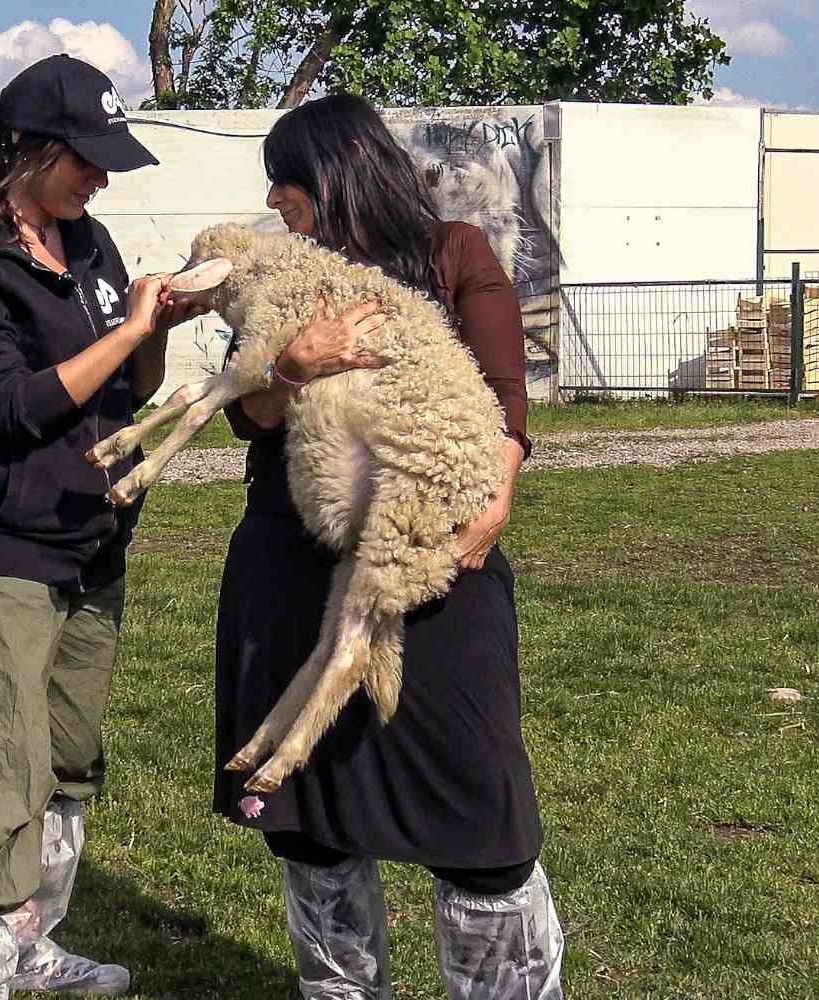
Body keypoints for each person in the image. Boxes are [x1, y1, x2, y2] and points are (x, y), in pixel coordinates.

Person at [212, 93, 565, 999]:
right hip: (292, 564)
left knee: (476, 811)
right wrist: (294, 365)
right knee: (309, 819)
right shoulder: (288, 274)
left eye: (284, 181)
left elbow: (505, 397)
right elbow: (249, 414)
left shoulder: (455, 254)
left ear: (333, 176)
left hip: (432, 564)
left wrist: (496, 495)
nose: (273, 199)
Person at [0, 54, 200, 1000]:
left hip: (92, 545)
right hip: (4, 547)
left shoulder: (90, 243)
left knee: (66, 763)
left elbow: (127, 387)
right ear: (24, 148)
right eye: (86, 158)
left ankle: (26, 948)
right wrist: (126, 330)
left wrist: (151, 332)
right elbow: (11, 406)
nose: (100, 178)